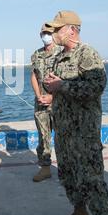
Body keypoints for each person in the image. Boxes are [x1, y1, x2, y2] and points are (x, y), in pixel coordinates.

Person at [44, 11, 108, 215]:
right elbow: (57, 87)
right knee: (68, 176)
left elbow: (96, 86)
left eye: (58, 29)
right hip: (64, 132)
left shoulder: (87, 54)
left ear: (72, 30)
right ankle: (80, 212)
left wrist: (61, 85)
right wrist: (52, 87)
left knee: (92, 181)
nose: (53, 33)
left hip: (83, 134)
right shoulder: (58, 57)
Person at [30, 24, 62, 182]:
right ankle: (45, 168)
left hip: (59, 102)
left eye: (48, 33)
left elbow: (66, 78)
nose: (45, 35)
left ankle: (65, 168)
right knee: (43, 137)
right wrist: (38, 96)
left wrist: (52, 97)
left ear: (54, 33)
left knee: (63, 136)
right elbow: (34, 76)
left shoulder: (62, 52)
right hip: (41, 103)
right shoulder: (36, 54)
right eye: (43, 33)